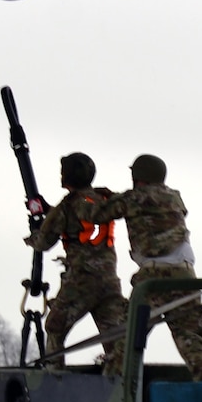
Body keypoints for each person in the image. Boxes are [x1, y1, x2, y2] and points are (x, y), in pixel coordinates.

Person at [99, 155, 202, 382]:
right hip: (185, 275)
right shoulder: (174, 197)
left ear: (137, 177)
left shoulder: (133, 198)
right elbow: (147, 203)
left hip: (153, 277)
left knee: (126, 339)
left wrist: (92, 198)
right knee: (192, 340)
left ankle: (109, 397)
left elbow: (99, 214)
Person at [26, 152, 127, 375]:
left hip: (81, 280)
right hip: (109, 281)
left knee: (55, 326)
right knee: (114, 337)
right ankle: (118, 383)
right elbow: (84, 221)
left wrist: (33, 234)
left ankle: (55, 378)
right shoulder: (103, 200)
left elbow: (44, 242)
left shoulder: (67, 206)